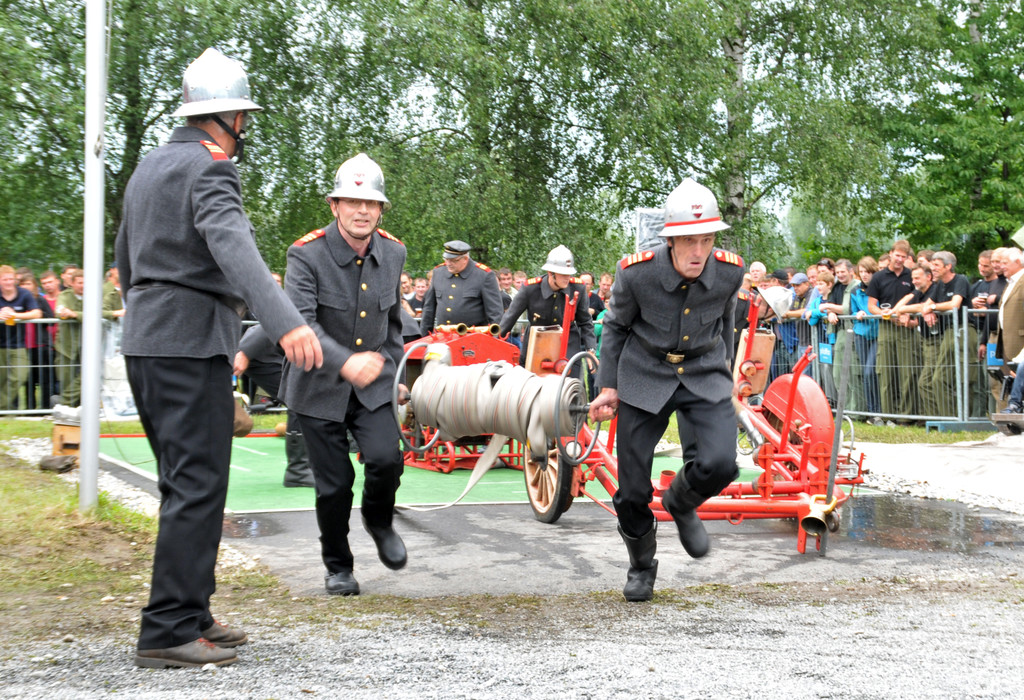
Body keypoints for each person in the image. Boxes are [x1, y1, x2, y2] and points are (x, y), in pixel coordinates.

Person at [116, 48, 323, 669]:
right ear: (229, 115)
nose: (244, 130)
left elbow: (127, 260)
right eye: (243, 118)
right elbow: (238, 254)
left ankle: (193, 609)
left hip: (147, 338)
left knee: (185, 481)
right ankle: (167, 628)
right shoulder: (211, 169)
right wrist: (286, 324)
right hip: (190, 340)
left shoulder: (149, 166)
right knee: (198, 483)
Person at [237, 153, 408, 598]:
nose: (362, 211)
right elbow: (301, 324)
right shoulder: (305, 253)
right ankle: (338, 565)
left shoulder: (394, 252)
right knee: (334, 485)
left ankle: (379, 520)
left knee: (387, 460)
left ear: (381, 209)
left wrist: (398, 375)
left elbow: (391, 325)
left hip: (373, 382)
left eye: (371, 203)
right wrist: (345, 362)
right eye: (352, 201)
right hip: (318, 384)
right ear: (335, 205)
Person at [589, 178, 744, 603]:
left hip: (704, 370)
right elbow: (616, 327)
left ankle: (680, 501)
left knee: (721, 463)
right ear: (671, 239)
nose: (699, 252)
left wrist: (727, 377)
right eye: (689, 241)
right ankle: (641, 565)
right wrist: (609, 386)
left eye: (707, 240)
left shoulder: (731, 269)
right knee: (633, 491)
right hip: (644, 373)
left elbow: (725, 322)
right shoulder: (635, 272)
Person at [498, 245, 596, 374]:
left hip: (567, 348)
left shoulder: (578, 288)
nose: (567, 278)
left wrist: (591, 350)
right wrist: (496, 342)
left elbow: (585, 322)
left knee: (570, 390)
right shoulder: (530, 289)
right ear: (551, 273)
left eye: (569, 274)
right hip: (536, 346)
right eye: (563, 274)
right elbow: (509, 318)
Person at [866, 240, 916, 419]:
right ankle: (888, 415)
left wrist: (908, 315)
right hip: (886, 327)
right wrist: (883, 313)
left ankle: (906, 416)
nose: (900, 259)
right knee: (886, 371)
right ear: (891, 254)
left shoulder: (911, 276)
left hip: (906, 328)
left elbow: (919, 299)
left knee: (907, 372)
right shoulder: (879, 277)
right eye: (897, 255)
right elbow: (871, 306)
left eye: (903, 257)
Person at [929, 251, 978, 416]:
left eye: (936, 265)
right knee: (939, 379)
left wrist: (933, 308)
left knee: (965, 379)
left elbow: (955, 304)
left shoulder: (960, 280)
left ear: (948, 266)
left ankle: (965, 419)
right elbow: (925, 305)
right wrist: (926, 311)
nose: (932, 268)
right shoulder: (938, 286)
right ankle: (949, 418)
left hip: (964, 331)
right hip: (949, 333)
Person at [419, 240, 503, 333]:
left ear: (465, 259)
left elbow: (495, 313)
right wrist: (425, 337)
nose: (448, 263)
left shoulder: (483, 275)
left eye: (453, 260)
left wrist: (494, 337)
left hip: (473, 337)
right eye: (446, 259)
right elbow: (428, 310)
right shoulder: (438, 273)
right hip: (443, 336)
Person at [893, 264, 942, 417]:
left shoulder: (934, 289)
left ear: (929, 277)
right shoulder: (919, 292)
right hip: (925, 340)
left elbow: (923, 307)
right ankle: (930, 417)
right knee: (927, 381)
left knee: (926, 382)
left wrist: (904, 311)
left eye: (917, 278)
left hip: (938, 340)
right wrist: (906, 315)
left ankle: (935, 418)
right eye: (912, 278)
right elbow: (897, 308)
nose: (914, 281)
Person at [0, 264, 42, 409]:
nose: (8, 282)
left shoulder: (24, 293)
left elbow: (37, 313)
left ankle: (2, 406)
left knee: (19, 376)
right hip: (0, 345)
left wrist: (15, 315)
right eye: (5, 279)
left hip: (18, 344)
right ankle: (6, 412)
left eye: (11, 279)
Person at [851, 257, 880, 417]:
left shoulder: (879, 287)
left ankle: (878, 410)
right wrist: (858, 313)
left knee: (871, 371)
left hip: (877, 334)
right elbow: (852, 310)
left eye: (867, 272)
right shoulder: (856, 290)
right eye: (861, 272)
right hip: (861, 334)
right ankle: (872, 412)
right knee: (866, 372)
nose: (864, 275)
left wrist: (869, 313)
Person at [53, 270, 86, 407]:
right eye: (79, 283)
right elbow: (59, 310)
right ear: (72, 283)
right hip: (65, 346)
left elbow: (100, 313)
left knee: (88, 375)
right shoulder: (64, 296)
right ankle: (68, 407)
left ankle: (66, 402)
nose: (83, 285)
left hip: (87, 345)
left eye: (85, 282)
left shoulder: (95, 295)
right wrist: (64, 312)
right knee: (65, 377)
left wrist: (75, 314)